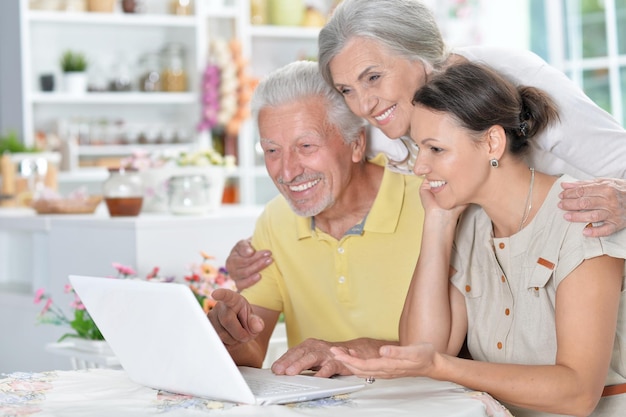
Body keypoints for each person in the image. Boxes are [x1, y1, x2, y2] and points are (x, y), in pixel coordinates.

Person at [228, 0, 626, 290]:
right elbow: (312, 172)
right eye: (347, 89)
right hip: (509, 290)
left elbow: (618, 158)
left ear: (420, 56)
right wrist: (255, 254)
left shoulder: (512, 75)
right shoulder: (384, 126)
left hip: (597, 266)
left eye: (373, 77)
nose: (364, 105)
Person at [331, 62, 626, 417]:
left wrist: (443, 367)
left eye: (435, 149)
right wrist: (438, 223)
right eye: (417, 148)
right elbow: (423, 346)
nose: (419, 167)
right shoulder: (468, 223)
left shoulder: (582, 216)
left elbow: (578, 394)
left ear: (492, 142)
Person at [208, 60, 426, 377]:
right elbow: (251, 353)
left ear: (356, 144)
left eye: (306, 146)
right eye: (271, 150)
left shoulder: (430, 203)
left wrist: (349, 353)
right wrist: (231, 336)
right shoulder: (275, 219)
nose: (286, 172)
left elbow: (459, 348)